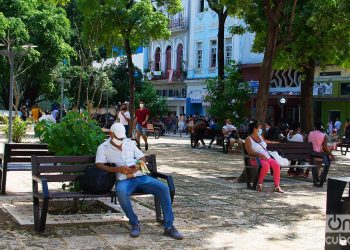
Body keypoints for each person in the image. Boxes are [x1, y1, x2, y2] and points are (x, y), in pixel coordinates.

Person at [95, 123, 183, 240]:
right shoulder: (103, 147)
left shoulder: (129, 143)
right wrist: (117, 169)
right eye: (119, 138)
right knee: (121, 192)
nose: (122, 140)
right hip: (124, 180)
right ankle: (134, 223)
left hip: (141, 177)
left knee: (163, 188)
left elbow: (142, 157)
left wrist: (138, 165)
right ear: (111, 135)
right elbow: (99, 164)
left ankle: (169, 226)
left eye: (123, 137)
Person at [244, 120, 284, 193]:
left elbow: (265, 143)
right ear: (254, 129)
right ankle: (259, 183)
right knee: (266, 166)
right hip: (256, 159)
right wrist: (259, 155)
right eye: (259, 128)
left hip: (267, 157)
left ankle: (277, 186)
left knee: (276, 165)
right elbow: (249, 152)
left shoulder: (261, 137)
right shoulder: (248, 139)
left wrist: (273, 142)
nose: (260, 129)